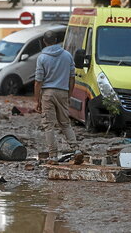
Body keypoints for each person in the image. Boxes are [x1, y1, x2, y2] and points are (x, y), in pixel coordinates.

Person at [34, 30, 76, 163]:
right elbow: (72, 78)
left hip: (48, 93)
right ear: (56, 39)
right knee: (65, 123)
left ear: (44, 42)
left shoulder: (42, 58)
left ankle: (53, 155)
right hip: (63, 91)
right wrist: (68, 95)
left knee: (48, 125)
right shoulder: (67, 55)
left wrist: (38, 101)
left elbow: (38, 81)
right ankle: (76, 150)